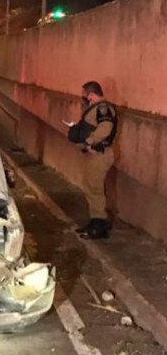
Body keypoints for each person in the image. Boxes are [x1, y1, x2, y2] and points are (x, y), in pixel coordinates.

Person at [67, 81, 117, 239]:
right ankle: (96, 220)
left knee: (94, 188)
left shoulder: (103, 108)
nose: (83, 98)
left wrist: (89, 141)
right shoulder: (94, 109)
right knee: (90, 185)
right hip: (93, 153)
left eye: (85, 95)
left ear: (92, 94)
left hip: (100, 154)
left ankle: (99, 225)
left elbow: (105, 128)